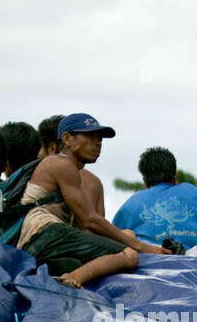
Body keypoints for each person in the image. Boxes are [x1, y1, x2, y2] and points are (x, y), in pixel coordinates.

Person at [15, 112, 170, 287]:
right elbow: (90, 220)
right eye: (89, 136)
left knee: (125, 237)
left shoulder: (69, 170)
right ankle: (71, 279)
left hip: (40, 240)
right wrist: (142, 246)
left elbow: (86, 229)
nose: (98, 143)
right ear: (66, 138)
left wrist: (126, 237)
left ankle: (69, 272)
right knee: (129, 255)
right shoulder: (61, 164)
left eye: (100, 139)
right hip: (43, 233)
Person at [112, 147, 197, 254]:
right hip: (194, 261)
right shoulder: (192, 192)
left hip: (147, 263)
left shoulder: (131, 204)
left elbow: (112, 240)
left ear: (145, 180)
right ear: (175, 175)